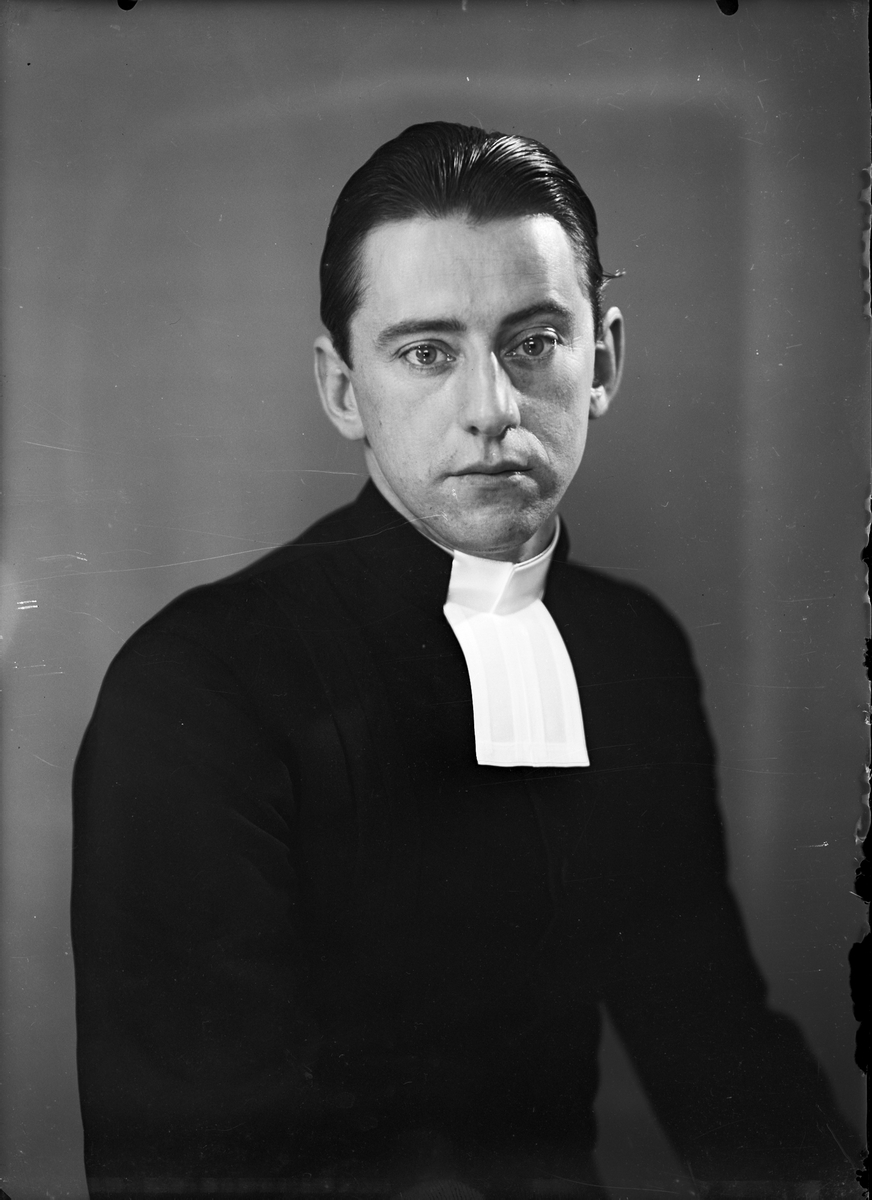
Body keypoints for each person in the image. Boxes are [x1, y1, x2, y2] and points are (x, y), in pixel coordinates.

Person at [71, 122, 859, 1200]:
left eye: (532, 342)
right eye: (427, 353)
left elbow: (713, 1040)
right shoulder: (194, 691)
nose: (490, 410)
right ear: (342, 388)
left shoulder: (630, 650)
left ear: (602, 362)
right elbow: (195, 1171)